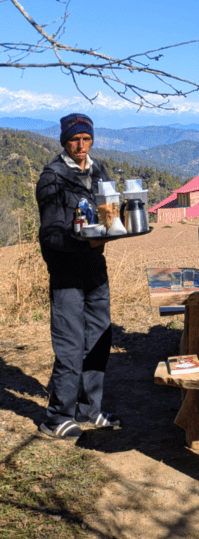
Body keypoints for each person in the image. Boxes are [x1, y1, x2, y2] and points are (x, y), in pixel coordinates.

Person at [35, 113, 120, 440]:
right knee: (70, 344)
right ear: (64, 141)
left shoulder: (98, 170)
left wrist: (115, 227)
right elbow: (50, 235)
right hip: (67, 271)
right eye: (74, 140)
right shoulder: (52, 178)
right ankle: (56, 418)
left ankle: (90, 410)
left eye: (86, 138)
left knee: (100, 339)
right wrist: (83, 240)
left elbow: (107, 214)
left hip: (95, 268)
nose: (81, 145)